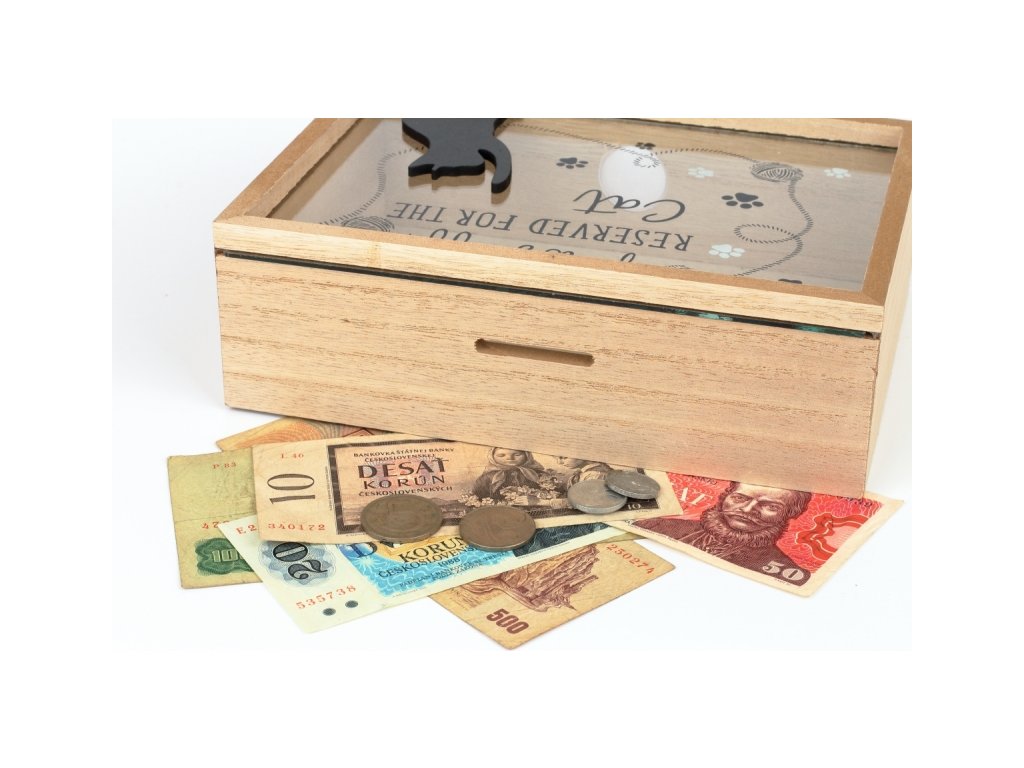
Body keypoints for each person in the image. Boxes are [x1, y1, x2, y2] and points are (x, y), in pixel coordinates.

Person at [636, 481, 812, 585]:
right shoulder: (657, 526)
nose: (747, 510)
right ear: (724, 498)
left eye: (771, 506)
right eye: (740, 498)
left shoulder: (784, 568)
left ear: (790, 514)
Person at [471, 448, 551, 502]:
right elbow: (477, 497)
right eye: (501, 455)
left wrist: (537, 501)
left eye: (517, 455)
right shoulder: (487, 477)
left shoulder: (538, 474)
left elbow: (553, 495)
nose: (510, 458)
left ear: (527, 455)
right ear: (492, 457)